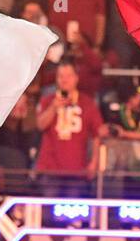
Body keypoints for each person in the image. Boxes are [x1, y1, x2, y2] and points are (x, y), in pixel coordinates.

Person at [34, 60, 107, 196]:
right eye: (61, 76)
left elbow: (98, 133)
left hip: (77, 170)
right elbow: (40, 125)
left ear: (76, 78)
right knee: (48, 211)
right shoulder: (47, 100)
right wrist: (53, 108)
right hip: (50, 169)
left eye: (68, 76)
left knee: (74, 212)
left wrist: (94, 162)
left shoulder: (88, 103)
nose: (64, 80)